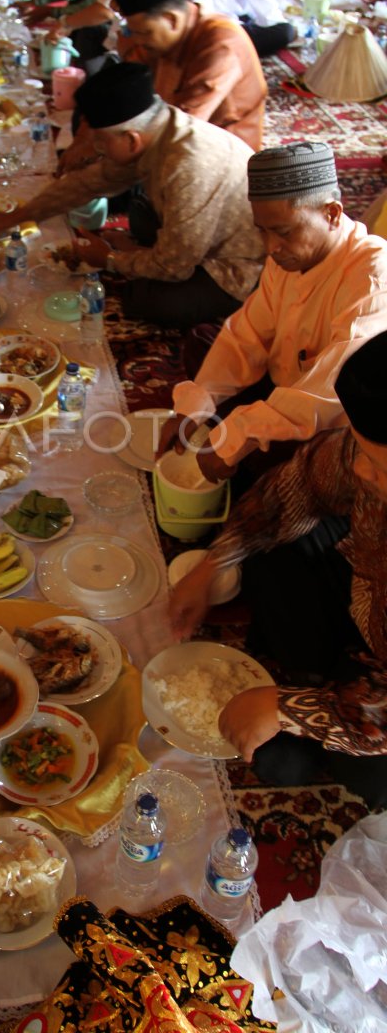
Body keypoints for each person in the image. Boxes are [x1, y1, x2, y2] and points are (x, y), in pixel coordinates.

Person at [168, 330, 387, 809]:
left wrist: (288, 709)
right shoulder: (365, 456)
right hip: (368, 604)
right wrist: (215, 562)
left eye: (379, 466)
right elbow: (302, 484)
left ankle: (319, 701)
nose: (363, 473)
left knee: (367, 777)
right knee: (273, 541)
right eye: (363, 451)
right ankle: (320, 681)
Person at [159, 141, 387, 482]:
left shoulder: (373, 277)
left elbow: (327, 396)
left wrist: (239, 436)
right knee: (202, 342)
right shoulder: (290, 255)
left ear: (332, 214)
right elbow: (247, 334)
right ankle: (245, 456)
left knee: (298, 462)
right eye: (262, 230)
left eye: (282, 231)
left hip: (329, 419)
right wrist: (197, 401)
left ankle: (257, 471)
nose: (270, 247)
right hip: (282, 386)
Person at [0, 62, 263, 328]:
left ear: (131, 139)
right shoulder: (160, 128)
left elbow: (174, 267)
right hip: (202, 230)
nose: (97, 150)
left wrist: (111, 259)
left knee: (144, 300)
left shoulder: (187, 167)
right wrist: (20, 215)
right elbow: (89, 183)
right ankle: (144, 252)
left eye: (101, 142)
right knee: (140, 210)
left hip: (238, 264)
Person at [114, 0, 267, 150]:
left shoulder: (221, 43)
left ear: (171, 19)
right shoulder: (158, 38)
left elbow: (184, 125)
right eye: (133, 33)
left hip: (223, 152)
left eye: (143, 33)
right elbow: (128, 82)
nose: (138, 41)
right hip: (177, 130)